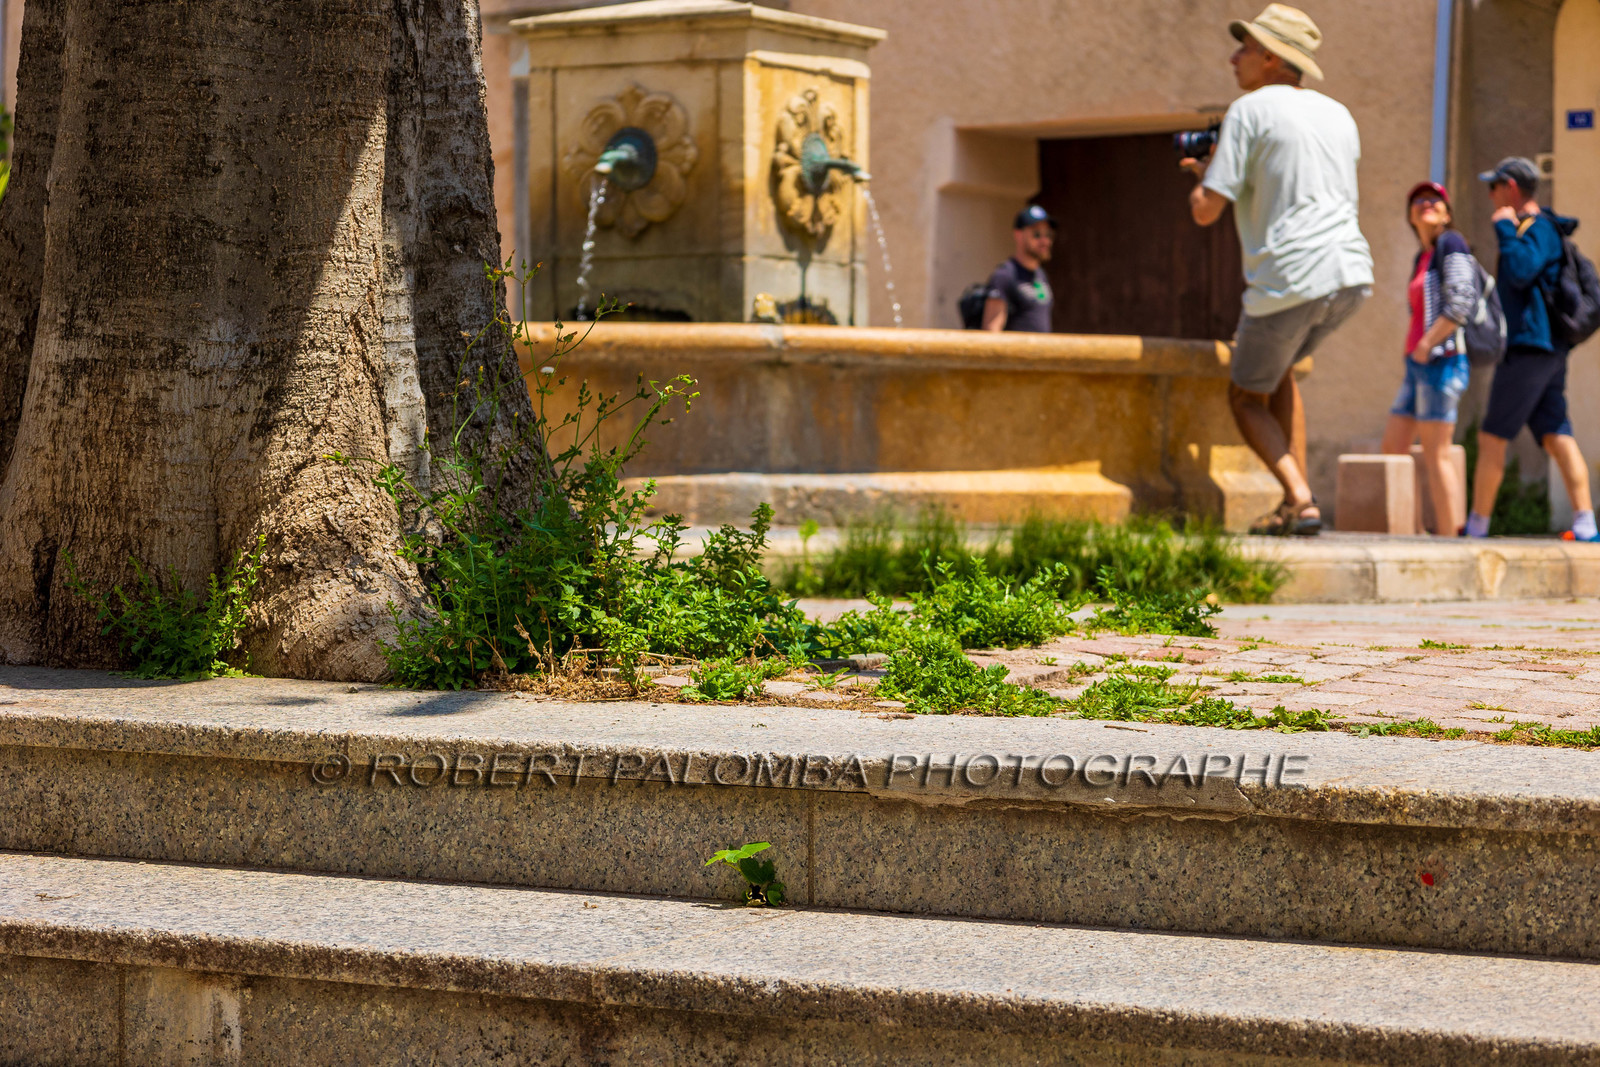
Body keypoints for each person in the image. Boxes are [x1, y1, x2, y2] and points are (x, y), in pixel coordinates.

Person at [1181, 4, 1374, 536]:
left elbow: (1206, 211)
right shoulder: (1338, 114)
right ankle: (1294, 504)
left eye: (1243, 48)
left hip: (1290, 278)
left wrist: (1202, 176)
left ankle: (1301, 499)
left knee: (1246, 397)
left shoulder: (1248, 111)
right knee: (1281, 369)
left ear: (1270, 57)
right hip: (1350, 275)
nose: (1233, 58)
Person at [1465, 157, 1595, 541]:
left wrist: (1505, 228)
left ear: (1510, 186)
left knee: (1492, 436)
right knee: (1555, 433)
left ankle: (1476, 529)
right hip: (1546, 351)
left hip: (1529, 348)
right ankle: (1586, 525)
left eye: (1494, 186)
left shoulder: (1537, 228)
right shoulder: (1541, 229)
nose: (1490, 195)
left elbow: (1522, 270)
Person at [1380, 182, 1473, 535]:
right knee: (1394, 447)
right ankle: (1416, 533)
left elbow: (1462, 301)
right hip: (1416, 366)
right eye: (1418, 200)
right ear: (1410, 215)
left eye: (1435, 200)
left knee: (1437, 454)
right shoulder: (1422, 257)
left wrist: (1427, 343)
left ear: (1447, 214)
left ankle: (1450, 541)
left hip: (1441, 361)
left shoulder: (1452, 243)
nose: (1426, 203)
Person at [981, 205, 1055, 332]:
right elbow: (992, 329)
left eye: (1048, 234)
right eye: (1037, 234)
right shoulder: (1005, 275)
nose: (1045, 241)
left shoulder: (1041, 275)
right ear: (1018, 235)